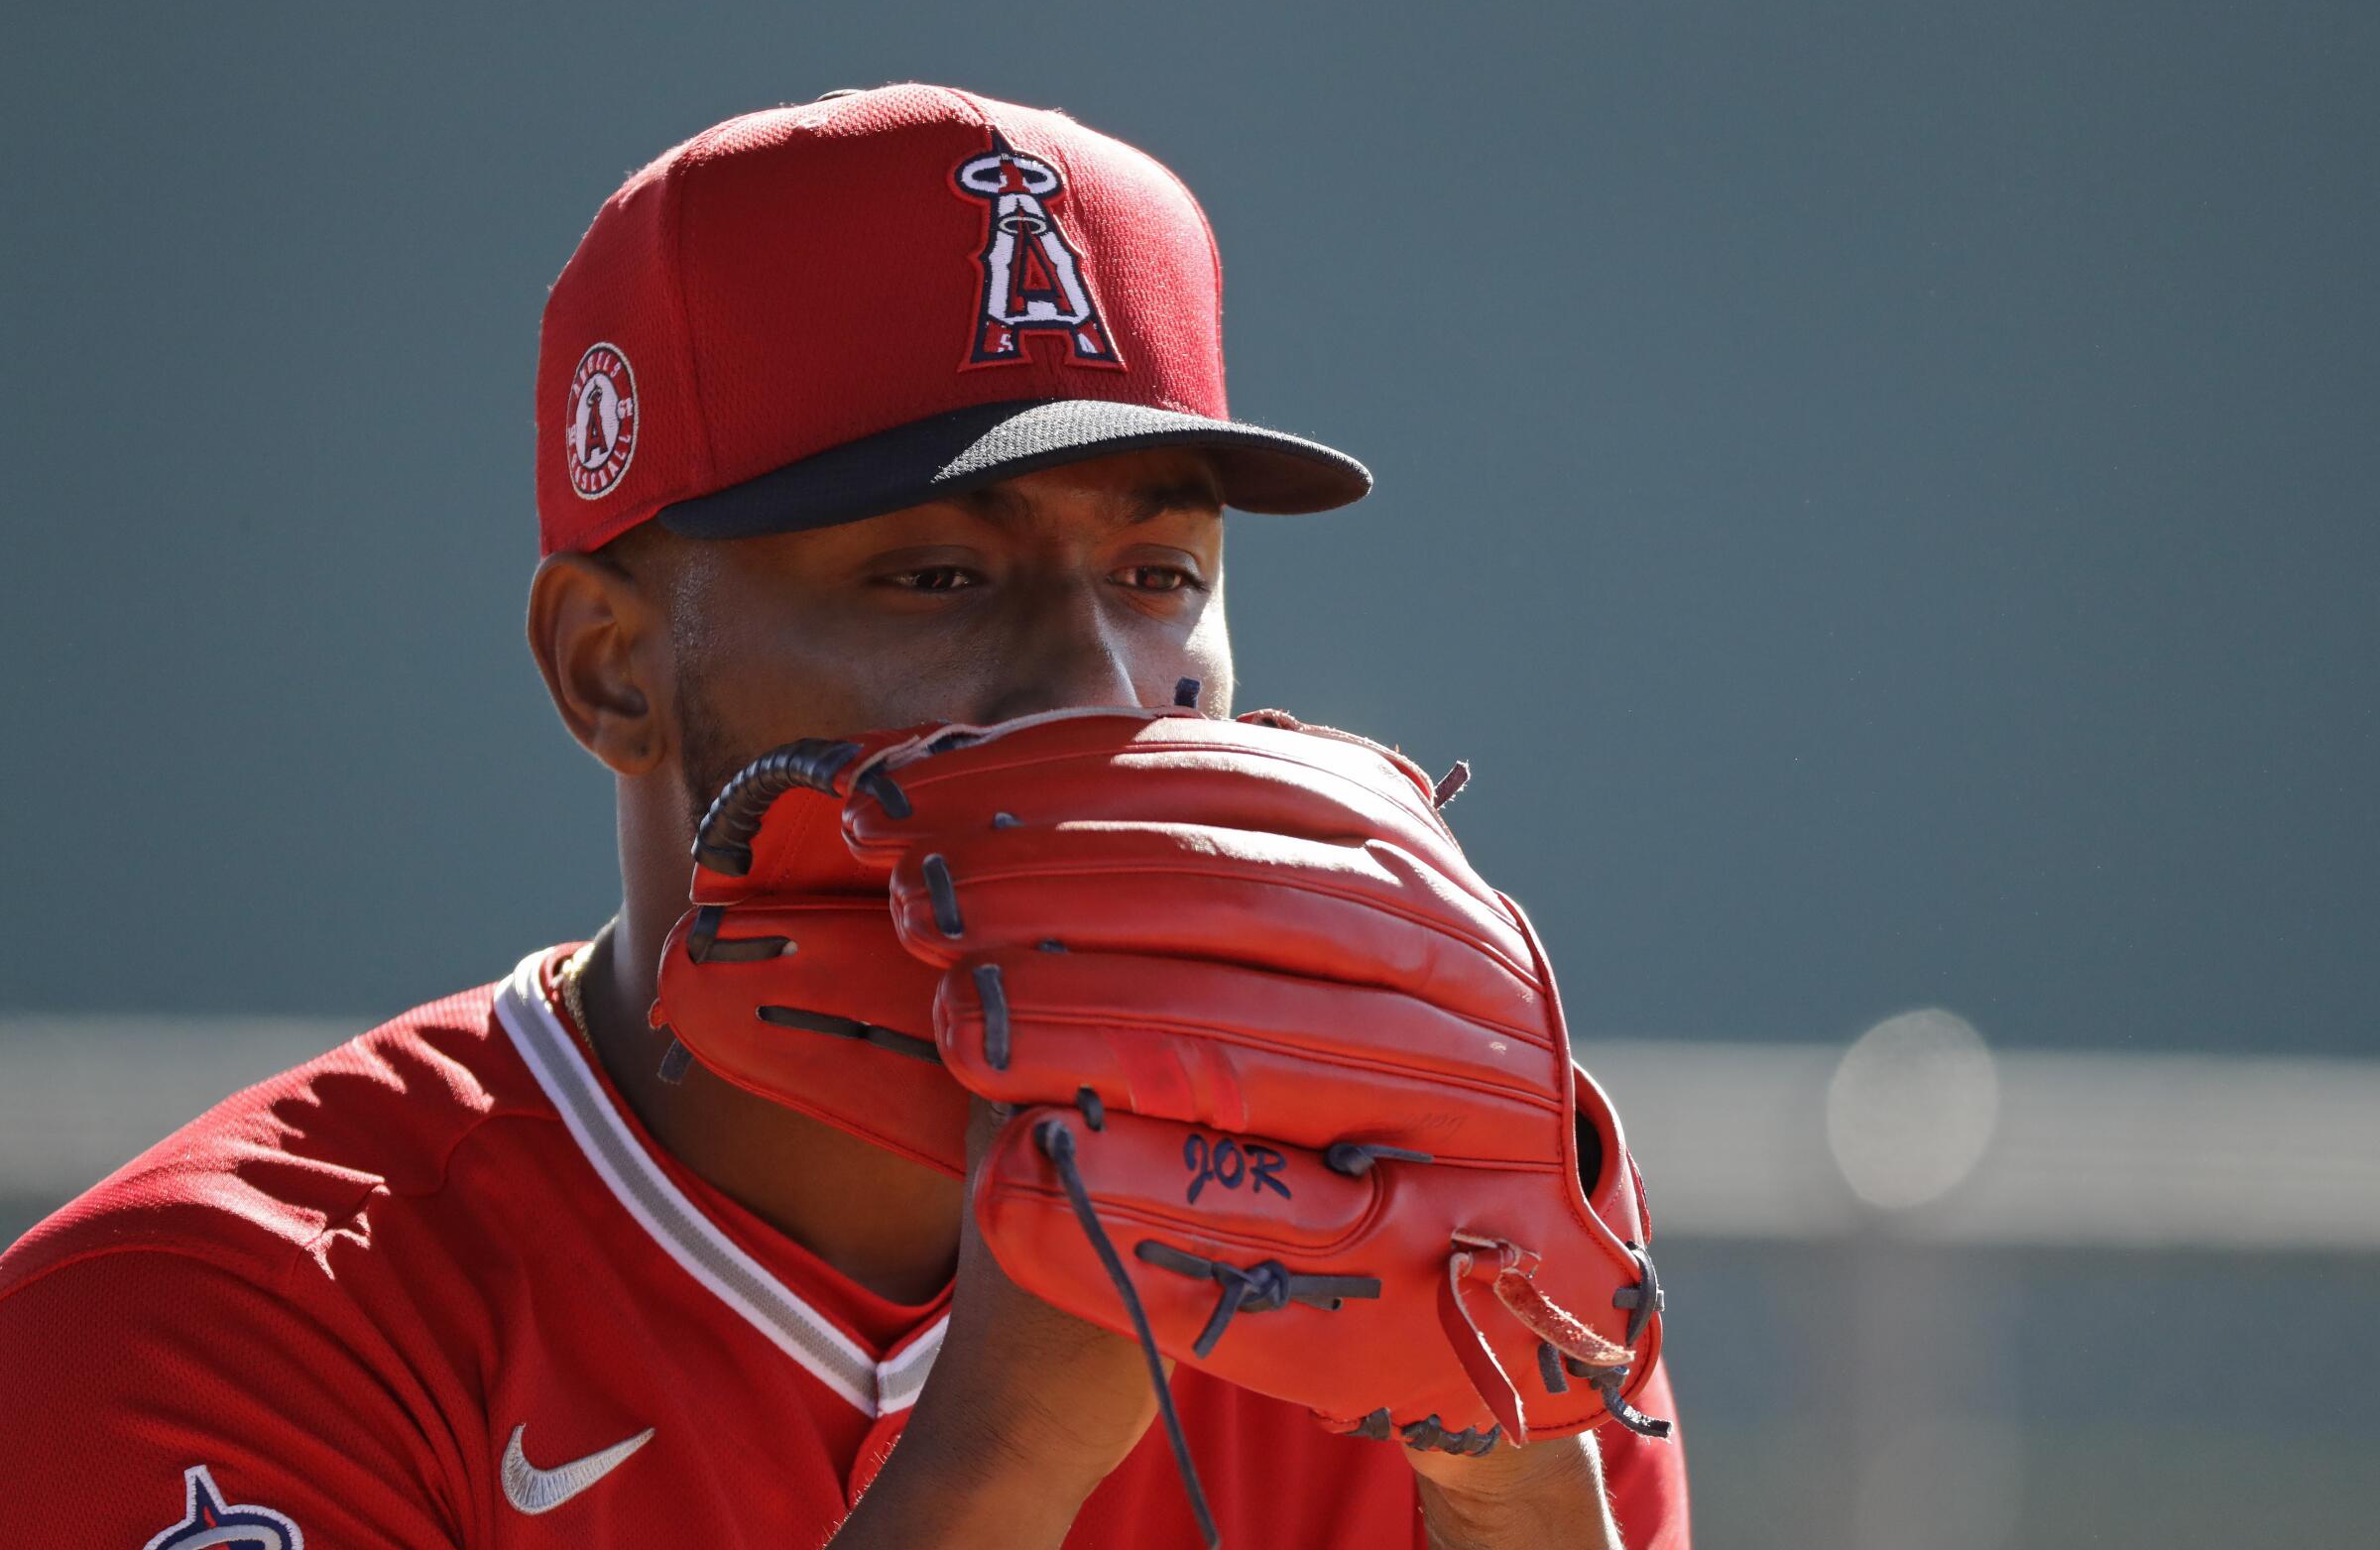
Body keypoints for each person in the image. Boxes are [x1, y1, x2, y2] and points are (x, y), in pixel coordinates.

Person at [0, 83, 1689, 1548]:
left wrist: (1522, 1492)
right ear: (609, 670)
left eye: (1159, 572)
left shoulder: (1415, 1238)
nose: (1095, 687)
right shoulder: (194, 1332)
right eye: (935, 573)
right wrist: (1010, 1449)